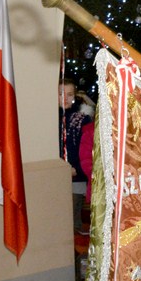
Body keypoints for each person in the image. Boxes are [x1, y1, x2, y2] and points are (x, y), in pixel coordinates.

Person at [59, 78, 93, 234]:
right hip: (56, 173)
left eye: (69, 94)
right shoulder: (52, 118)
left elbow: (88, 150)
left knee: (72, 218)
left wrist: (77, 169)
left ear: (75, 96)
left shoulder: (82, 119)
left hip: (76, 175)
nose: (65, 98)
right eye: (60, 94)